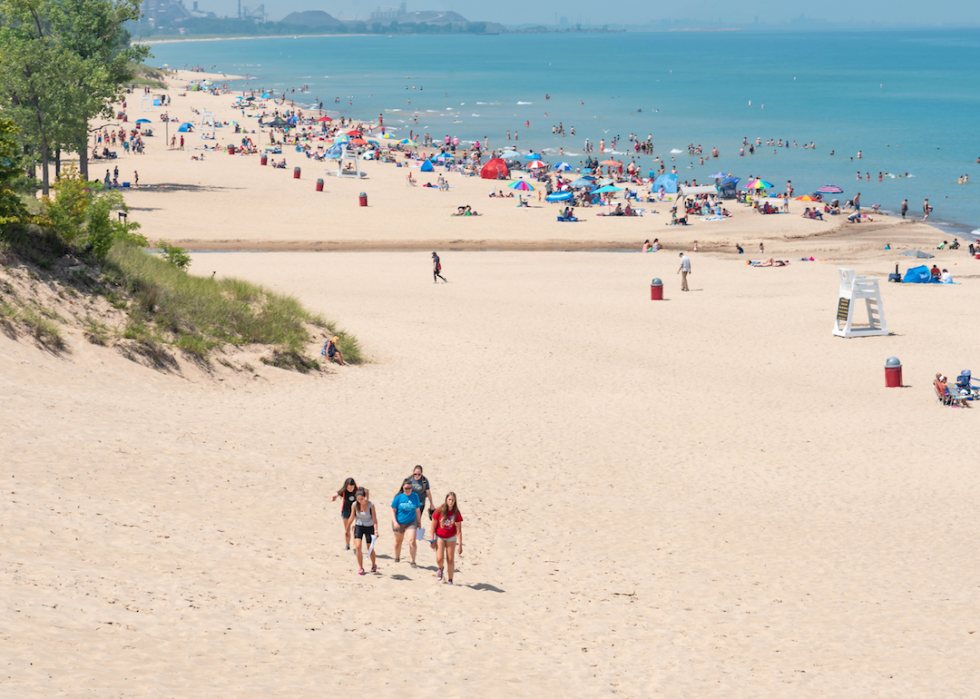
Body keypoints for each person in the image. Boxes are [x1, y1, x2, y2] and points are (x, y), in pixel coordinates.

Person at [428, 492, 463, 585]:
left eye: (453, 500)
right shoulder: (439, 510)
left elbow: (459, 530)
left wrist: (460, 545)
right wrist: (432, 539)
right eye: (449, 500)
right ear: (446, 500)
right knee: (439, 558)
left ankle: (450, 580)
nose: (451, 502)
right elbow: (433, 526)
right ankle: (440, 568)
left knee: (450, 559)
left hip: (451, 537)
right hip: (440, 536)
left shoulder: (456, 512)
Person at [347, 488, 378, 575]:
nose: (360, 500)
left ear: (365, 497)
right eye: (358, 499)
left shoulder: (371, 505)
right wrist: (347, 528)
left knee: (369, 548)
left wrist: (376, 530)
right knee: (358, 547)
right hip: (359, 526)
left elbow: (375, 519)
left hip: (369, 527)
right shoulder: (354, 505)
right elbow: (352, 517)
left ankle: (373, 565)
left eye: (361, 499)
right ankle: (361, 567)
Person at [391, 479, 421, 566]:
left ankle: (412, 561)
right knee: (398, 541)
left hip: (411, 522)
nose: (408, 490)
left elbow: (418, 510)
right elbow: (392, 510)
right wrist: (395, 522)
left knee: (412, 541)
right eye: (406, 488)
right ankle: (397, 557)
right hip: (399, 522)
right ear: (403, 487)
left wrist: (419, 522)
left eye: (410, 488)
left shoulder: (415, 496)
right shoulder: (398, 497)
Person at [330, 477, 359, 550]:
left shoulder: (358, 490)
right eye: (348, 487)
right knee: (347, 529)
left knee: (354, 528)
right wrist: (333, 497)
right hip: (346, 512)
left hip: (355, 513)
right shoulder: (344, 491)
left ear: (354, 485)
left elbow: (366, 491)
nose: (350, 489)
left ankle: (356, 547)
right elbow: (336, 494)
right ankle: (347, 544)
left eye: (352, 487)